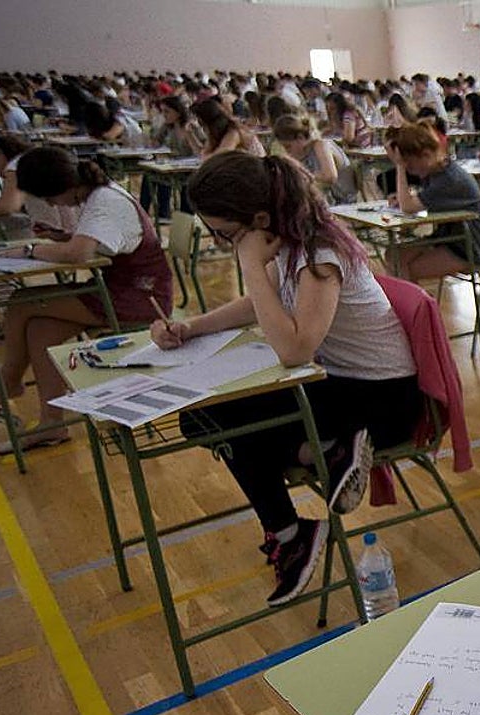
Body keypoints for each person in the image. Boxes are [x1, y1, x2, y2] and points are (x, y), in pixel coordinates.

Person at [152, 151, 420, 607]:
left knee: (224, 414)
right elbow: (258, 305)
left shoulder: (319, 251)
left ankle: (292, 525)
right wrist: (192, 327)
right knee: (200, 417)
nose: (220, 243)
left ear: (259, 219)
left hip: (382, 403)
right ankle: (321, 460)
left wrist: (251, 265)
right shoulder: (290, 237)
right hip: (342, 388)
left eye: (227, 234)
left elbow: (296, 350)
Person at [0, 147, 173, 452]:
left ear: (62, 188)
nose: (52, 204)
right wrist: (61, 238)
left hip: (140, 296)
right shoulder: (98, 193)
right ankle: (52, 423)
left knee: (22, 301)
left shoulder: (104, 200)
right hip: (120, 287)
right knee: (41, 330)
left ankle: (5, 386)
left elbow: (79, 254)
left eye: (50, 198)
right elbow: (95, 244)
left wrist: (32, 251)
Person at [385, 122, 480, 282]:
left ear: (426, 155)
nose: (408, 169)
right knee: (393, 254)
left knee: (408, 268)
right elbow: (418, 200)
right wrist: (406, 196)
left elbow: (408, 207)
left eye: (410, 165)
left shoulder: (449, 179)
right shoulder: (437, 170)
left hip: (468, 249)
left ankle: (414, 305)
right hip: (447, 239)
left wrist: (399, 166)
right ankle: (412, 304)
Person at [192, 98, 265, 158]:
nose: (201, 127)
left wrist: (205, 154)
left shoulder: (234, 133)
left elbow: (217, 158)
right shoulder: (219, 134)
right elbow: (204, 154)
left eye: (201, 124)